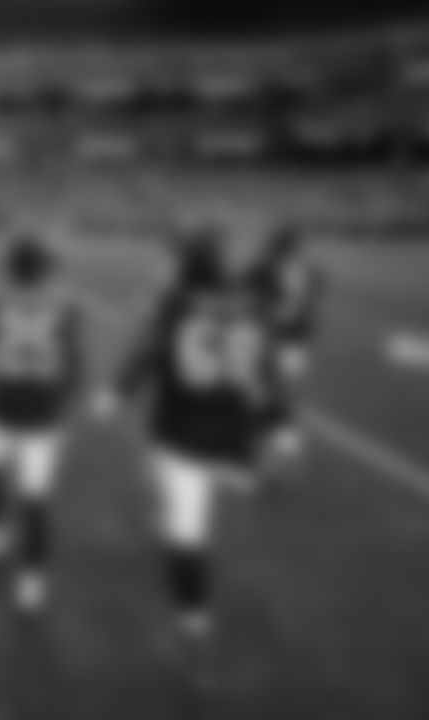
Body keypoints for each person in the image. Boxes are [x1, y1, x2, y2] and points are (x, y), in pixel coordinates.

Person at [95, 230, 278, 685]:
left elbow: (148, 356)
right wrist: (268, 431)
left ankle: (194, 633)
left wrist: (116, 394)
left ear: (186, 267)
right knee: (178, 501)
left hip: (183, 438)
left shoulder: (174, 306)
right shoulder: (252, 307)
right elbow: (264, 376)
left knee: (187, 537)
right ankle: (236, 471)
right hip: (231, 437)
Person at [0, 235, 85, 615]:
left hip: (0, 408)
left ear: (9, 269)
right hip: (42, 416)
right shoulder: (66, 310)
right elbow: (74, 366)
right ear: (44, 270)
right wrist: (62, 404)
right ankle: (31, 580)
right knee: (35, 502)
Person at [244, 225, 325, 472]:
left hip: (272, 338)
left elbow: (248, 295)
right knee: (279, 389)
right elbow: (313, 295)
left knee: (264, 389)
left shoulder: (262, 269)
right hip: (297, 341)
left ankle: (279, 432)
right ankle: (279, 434)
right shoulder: (310, 271)